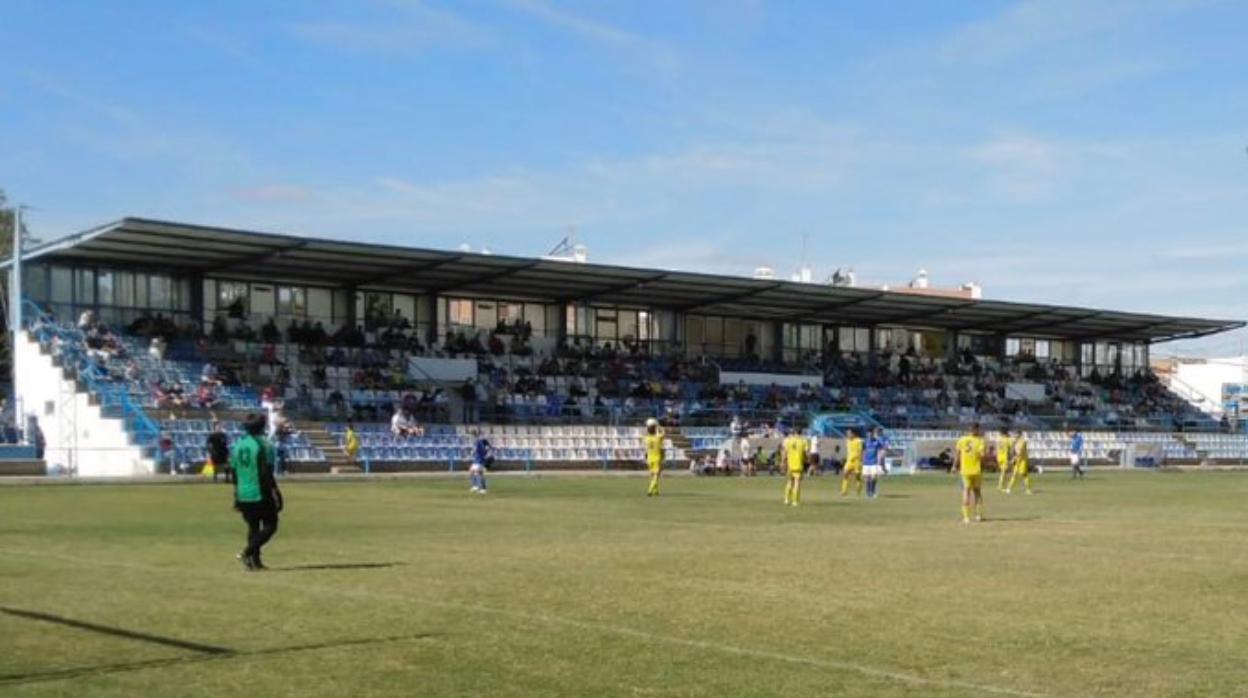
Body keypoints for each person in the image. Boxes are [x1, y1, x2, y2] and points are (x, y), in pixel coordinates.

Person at [230, 413, 283, 570]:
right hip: (259, 490)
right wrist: (275, 490)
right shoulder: (265, 445)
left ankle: (254, 562)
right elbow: (267, 471)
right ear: (263, 426)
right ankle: (247, 552)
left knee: (253, 527)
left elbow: (233, 470)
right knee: (270, 525)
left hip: (242, 491)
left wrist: (236, 491)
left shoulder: (239, 444)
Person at [955, 423, 988, 524]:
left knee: (966, 492)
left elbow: (957, 454)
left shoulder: (962, 440)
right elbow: (982, 455)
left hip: (965, 470)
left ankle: (966, 518)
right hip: (976, 470)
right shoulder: (980, 441)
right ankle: (978, 515)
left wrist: (954, 465)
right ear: (977, 429)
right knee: (977, 492)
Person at [782, 428, 806, 506]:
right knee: (797, 483)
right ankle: (795, 501)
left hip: (790, 465)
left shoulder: (788, 441)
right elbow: (806, 453)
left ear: (794, 432)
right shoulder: (803, 441)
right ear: (801, 433)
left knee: (789, 482)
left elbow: (785, 453)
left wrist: (783, 462)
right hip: (798, 464)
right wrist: (806, 460)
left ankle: (786, 499)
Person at [863, 427, 889, 499]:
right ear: (867, 435)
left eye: (871, 434)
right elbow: (862, 451)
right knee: (867, 479)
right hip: (866, 463)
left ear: (872, 434)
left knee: (874, 477)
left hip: (874, 462)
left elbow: (883, 448)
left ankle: (872, 491)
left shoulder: (877, 441)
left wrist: (882, 456)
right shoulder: (865, 442)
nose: (869, 435)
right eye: (868, 434)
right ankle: (868, 493)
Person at [1006, 430, 1033, 495]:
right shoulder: (1016, 441)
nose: (1015, 436)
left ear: (1019, 434)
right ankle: (1009, 489)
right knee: (1014, 474)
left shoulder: (1022, 441)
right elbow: (1013, 451)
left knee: (1024, 475)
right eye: (1015, 434)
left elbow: (1019, 453)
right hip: (1018, 460)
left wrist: (1013, 459)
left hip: (1023, 460)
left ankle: (1028, 490)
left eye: (1016, 434)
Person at [840, 428, 864, 497]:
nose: (848, 435)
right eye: (847, 433)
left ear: (853, 434)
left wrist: (860, 459)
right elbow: (849, 451)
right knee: (845, 474)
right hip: (849, 461)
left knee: (857, 477)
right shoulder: (848, 441)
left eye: (849, 433)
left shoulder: (859, 441)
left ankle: (858, 490)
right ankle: (844, 491)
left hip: (857, 461)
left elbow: (860, 451)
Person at [643, 418, 665, 497]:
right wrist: (658, 426)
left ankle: (656, 491)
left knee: (652, 475)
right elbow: (663, 433)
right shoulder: (658, 438)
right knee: (656, 475)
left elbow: (647, 432)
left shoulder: (646, 438)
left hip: (649, 458)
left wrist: (649, 427)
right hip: (657, 458)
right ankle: (650, 490)